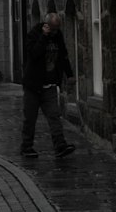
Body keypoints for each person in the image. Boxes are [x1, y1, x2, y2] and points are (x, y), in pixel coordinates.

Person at [21, 12, 76, 159]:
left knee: (54, 116)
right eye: (53, 28)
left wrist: (69, 74)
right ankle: (27, 147)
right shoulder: (34, 34)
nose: (55, 31)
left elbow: (63, 55)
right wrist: (44, 37)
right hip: (33, 85)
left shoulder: (58, 36)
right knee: (30, 118)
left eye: (57, 28)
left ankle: (60, 146)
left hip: (50, 85)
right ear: (46, 25)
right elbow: (34, 54)